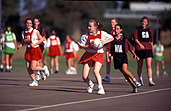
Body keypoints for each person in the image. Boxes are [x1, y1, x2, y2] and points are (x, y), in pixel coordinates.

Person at [78, 19, 114, 95]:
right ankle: (90, 84)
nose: (88, 27)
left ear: (95, 27)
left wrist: (104, 42)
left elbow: (112, 38)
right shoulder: (86, 35)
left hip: (98, 54)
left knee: (95, 71)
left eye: (90, 26)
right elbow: (80, 46)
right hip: (88, 54)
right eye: (88, 26)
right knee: (84, 76)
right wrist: (89, 46)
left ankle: (101, 88)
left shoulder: (102, 34)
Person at [108, 24, 141, 93]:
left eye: (117, 29)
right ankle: (133, 86)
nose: (116, 30)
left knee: (125, 70)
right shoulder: (112, 40)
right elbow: (108, 49)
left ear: (121, 30)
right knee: (124, 74)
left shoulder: (124, 39)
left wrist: (135, 55)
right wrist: (109, 57)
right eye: (115, 29)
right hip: (116, 58)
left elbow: (130, 48)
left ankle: (135, 81)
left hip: (123, 57)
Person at [17, 18, 49, 87]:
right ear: (25, 24)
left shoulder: (35, 31)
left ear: (32, 24)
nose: (28, 24)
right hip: (28, 50)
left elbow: (41, 39)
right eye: (27, 23)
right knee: (28, 66)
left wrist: (34, 44)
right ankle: (34, 81)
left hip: (35, 49)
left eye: (30, 23)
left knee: (33, 67)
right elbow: (23, 41)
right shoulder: (23, 32)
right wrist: (20, 45)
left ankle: (43, 69)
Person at [132, 16, 155, 86]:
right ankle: (140, 79)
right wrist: (140, 44)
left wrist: (152, 47)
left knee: (148, 65)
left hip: (148, 49)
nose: (143, 23)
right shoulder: (137, 29)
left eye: (145, 22)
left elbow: (151, 40)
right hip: (139, 49)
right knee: (140, 65)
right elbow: (135, 39)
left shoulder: (149, 30)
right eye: (142, 21)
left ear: (147, 23)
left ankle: (150, 80)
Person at [103, 18, 118, 82]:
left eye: (113, 22)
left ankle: (127, 75)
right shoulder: (111, 31)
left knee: (120, 62)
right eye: (111, 22)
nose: (112, 23)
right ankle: (108, 76)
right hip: (111, 47)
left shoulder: (118, 30)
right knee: (108, 61)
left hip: (117, 47)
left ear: (116, 23)